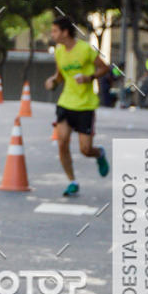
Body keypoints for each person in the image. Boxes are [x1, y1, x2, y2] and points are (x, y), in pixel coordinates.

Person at [45, 15, 110, 196]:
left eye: (55, 31)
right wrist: (53, 82)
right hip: (66, 103)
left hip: (85, 105)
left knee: (85, 149)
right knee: (62, 143)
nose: (52, 34)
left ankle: (99, 154)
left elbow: (104, 68)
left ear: (65, 32)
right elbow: (60, 75)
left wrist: (89, 77)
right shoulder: (59, 52)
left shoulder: (85, 49)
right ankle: (72, 181)